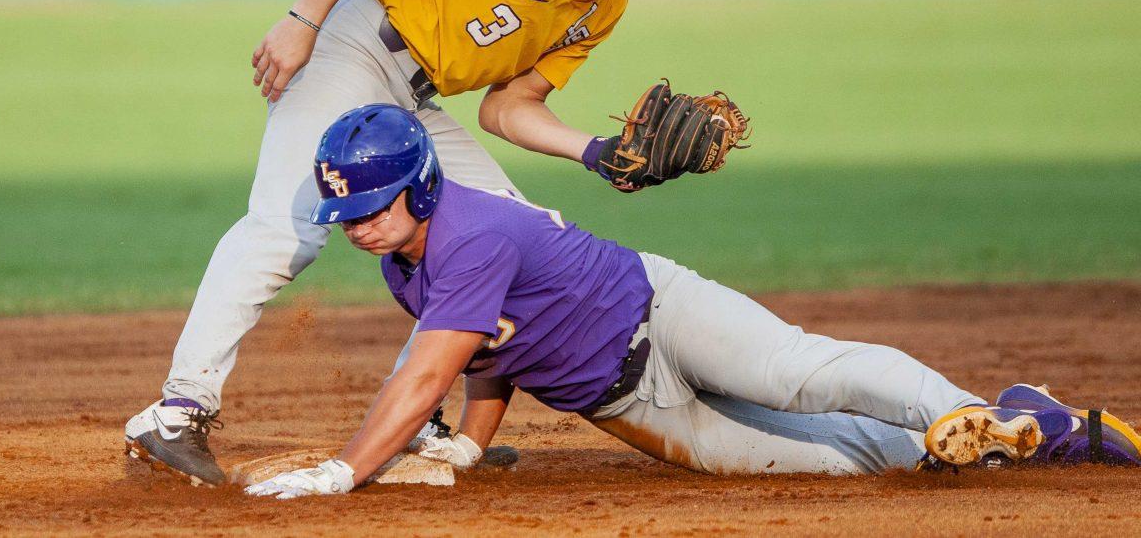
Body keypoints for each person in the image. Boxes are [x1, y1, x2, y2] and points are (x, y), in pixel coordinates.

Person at [124, 0, 742, 486]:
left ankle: (418, 427)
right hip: (357, 46)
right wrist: (305, 18)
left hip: (415, 98)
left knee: (511, 228)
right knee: (289, 227)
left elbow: (507, 107)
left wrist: (594, 151)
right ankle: (178, 410)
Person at [244, 105, 1141, 498]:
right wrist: (470, 450)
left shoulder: (467, 234)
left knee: (800, 373)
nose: (356, 224)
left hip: (660, 312)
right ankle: (1005, 435)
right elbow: (489, 357)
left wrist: (345, 469)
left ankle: (966, 408)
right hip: (625, 402)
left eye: (370, 204)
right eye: (346, 212)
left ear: (422, 186)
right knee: (843, 461)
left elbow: (426, 372)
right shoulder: (406, 261)